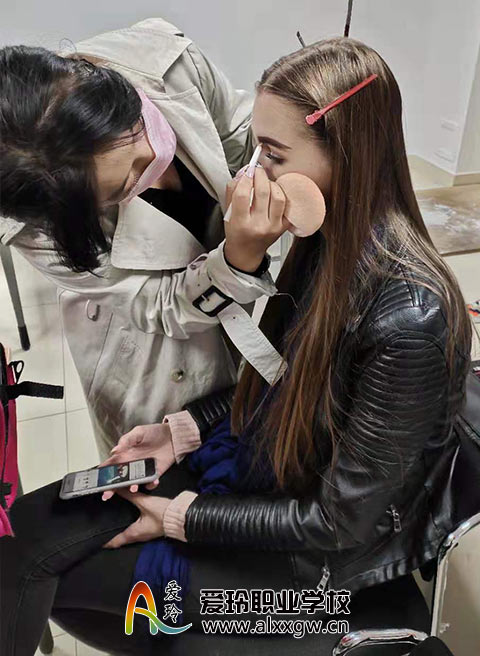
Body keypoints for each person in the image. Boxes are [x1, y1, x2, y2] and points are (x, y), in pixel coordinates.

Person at [1, 34, 473, 656]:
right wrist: (182, 432)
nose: (247, 176)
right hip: (265, 465)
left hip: (318, 573)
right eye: (255, 150)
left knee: (63, 580)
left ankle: (237, 634)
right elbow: (286, 376)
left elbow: (338, 521)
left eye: (270, 154)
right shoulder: (322, 249)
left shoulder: (408, 317)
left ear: (347, 153)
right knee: (22, 543)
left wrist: (179, 517)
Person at [0, 17, 286, 460]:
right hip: (146, 348)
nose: (152, 156)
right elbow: (158, 304)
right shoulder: (37, 228)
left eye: (136, 127)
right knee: (175, 456)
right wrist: (237, 259)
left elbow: (242, 141)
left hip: (233, 302)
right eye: (124, 185)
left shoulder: (166, 61)